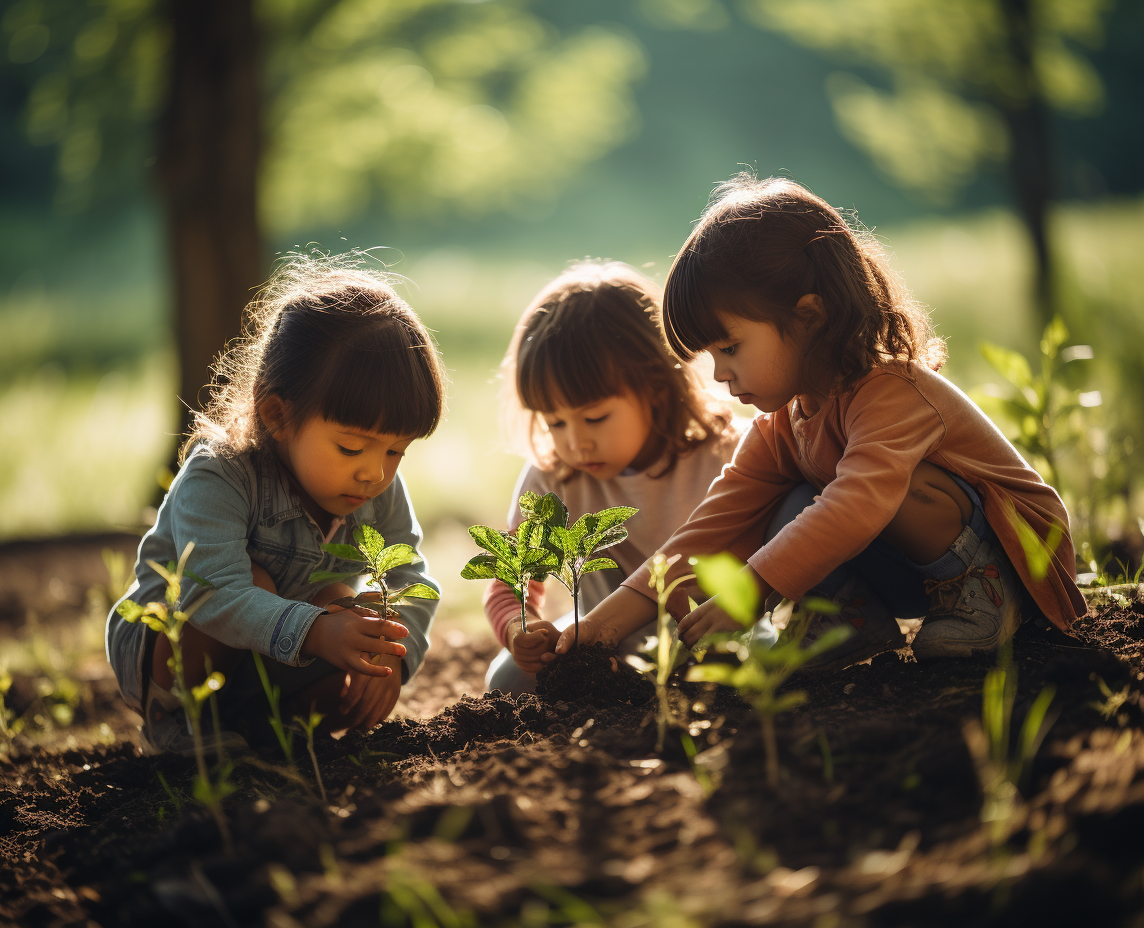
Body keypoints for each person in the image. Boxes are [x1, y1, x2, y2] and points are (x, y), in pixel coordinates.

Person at [556, 175, 1087, 668]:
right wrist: (599, 627)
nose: (719, 374)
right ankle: (850, 621)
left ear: (809, 316)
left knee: (878, 490)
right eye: (711, 356)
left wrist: (754, 588)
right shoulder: (785, 422)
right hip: (915, 571)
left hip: (1020, 553)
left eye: (731, 347)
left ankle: (986, 599)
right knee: (780, 503)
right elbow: (715, 526)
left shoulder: (890, 392)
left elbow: (858, 504)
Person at [106, 254, 446, 753]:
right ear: (277, 415)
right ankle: (175, 719)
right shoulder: (220, 474)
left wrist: (393, 651)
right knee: (260, 584)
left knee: (351, 609)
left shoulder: (376, 489)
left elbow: (410, 578)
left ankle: (267, 724)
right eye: (352, 447)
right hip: (176, 647)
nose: (375, 472)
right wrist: (318, 631)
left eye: (396, 450)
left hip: (281, 648)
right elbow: (210, 594)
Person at [484, 261, 743, 695]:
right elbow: (512, 579)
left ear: (657, 386)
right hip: (605, 640)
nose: (576, 444)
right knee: (509, 678)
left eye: (595, 418)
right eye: (555, 423)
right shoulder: (554, 479)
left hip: (717, 630)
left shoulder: (725, 453)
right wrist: (519, 630)